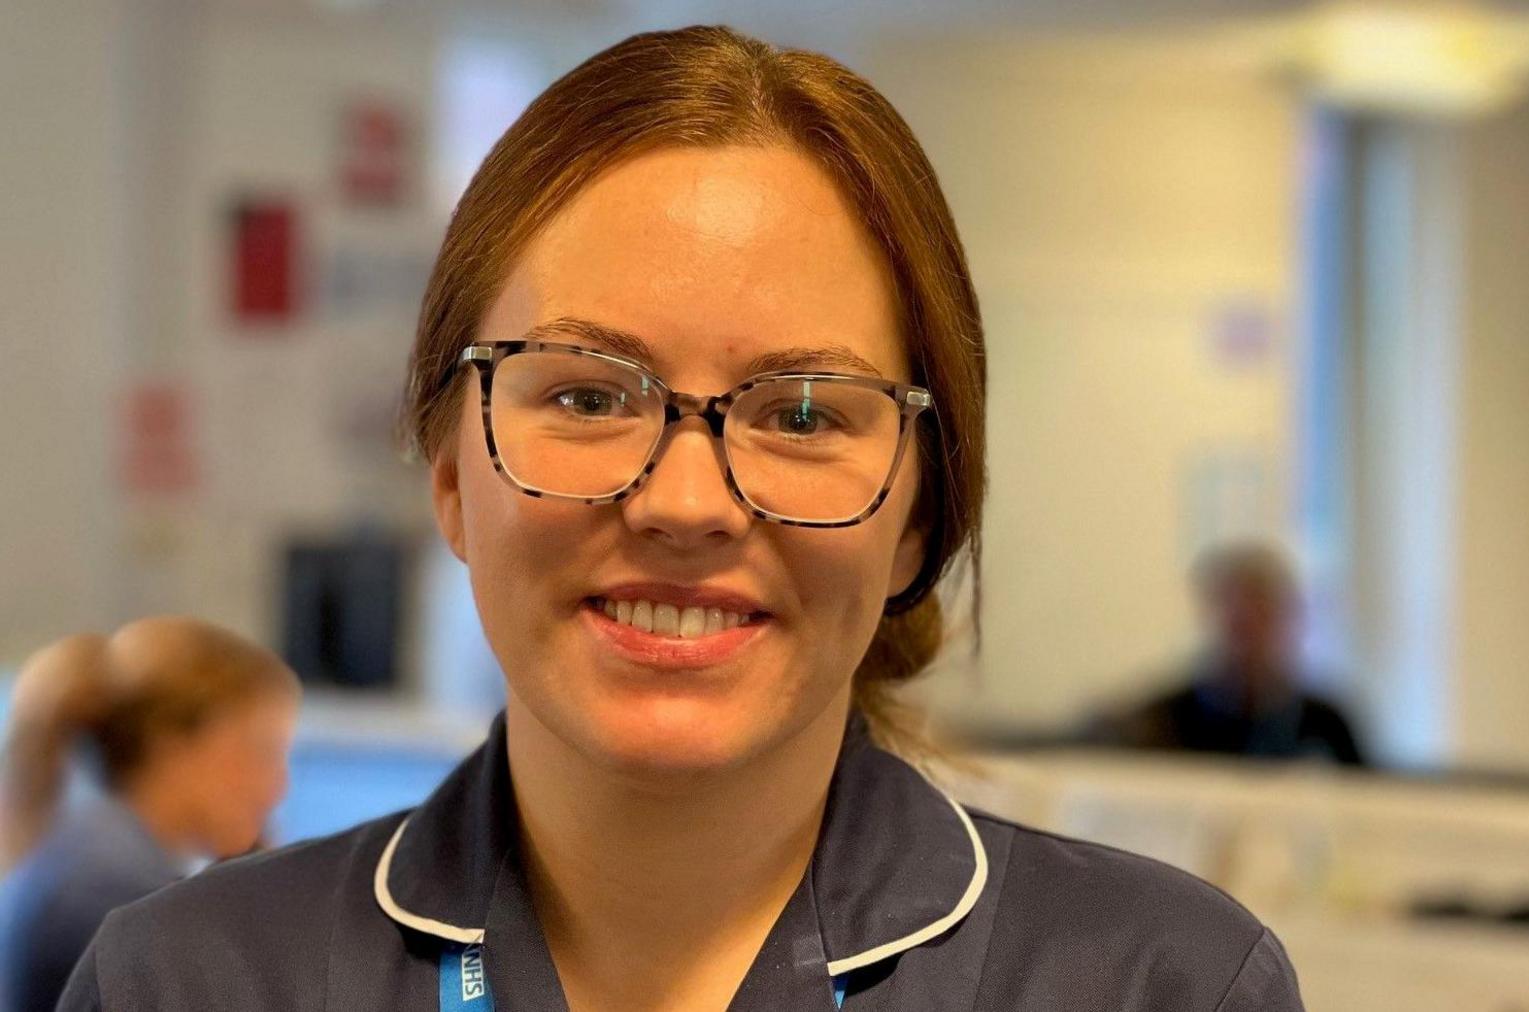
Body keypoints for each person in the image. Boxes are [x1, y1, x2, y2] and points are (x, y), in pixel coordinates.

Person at [59, 27, 1304, 1011]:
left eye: (802, 412)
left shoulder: (1159, 984)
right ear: (449, 476)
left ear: (919, 516)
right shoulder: (188, 981)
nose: (685, 502)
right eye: (589, 395)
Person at [0, 617, 298, 1012]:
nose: (278, 786)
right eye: (260, 752)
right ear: (171, 746)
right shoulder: (117, 894)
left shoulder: (96, 851)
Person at [1109, 543, 1364, 765]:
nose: (1247, 633)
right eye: (1237, 623)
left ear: (1285, 618)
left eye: (1260, 613)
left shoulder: (1325, 725)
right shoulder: (1160, 723)